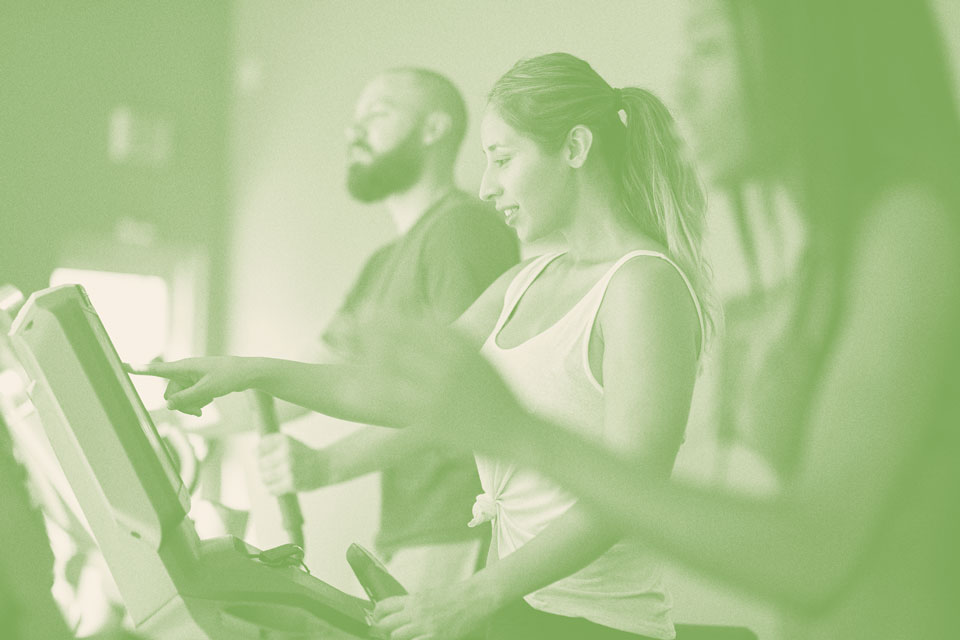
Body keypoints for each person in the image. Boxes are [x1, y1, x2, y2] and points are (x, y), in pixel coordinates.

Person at [316, 1, 960, 638]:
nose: (681, 86)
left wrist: (514, 431)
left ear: (812, 59)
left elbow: (812, 551)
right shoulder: (831, 256)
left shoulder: (912, 229)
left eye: (709, 50)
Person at [133, 52, 718, 639]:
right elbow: (397, 394)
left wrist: (469, 596)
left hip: (599, 626)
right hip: (518, 614)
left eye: (503, 159)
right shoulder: (523, 282)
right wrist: (248, 370)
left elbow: (630, 494)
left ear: (574, 148)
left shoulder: (644, 286)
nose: (488, 186)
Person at [255, 67, 519, 589]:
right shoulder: (384, 262)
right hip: (409, 534)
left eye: (376, 114)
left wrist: (326, 465)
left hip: (460, 526)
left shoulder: (461, 232)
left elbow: (461, 400)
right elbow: (302, 381)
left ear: (433, 128)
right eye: (354, 120)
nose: (353, 132)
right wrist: (170, 413)